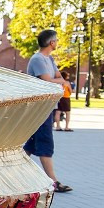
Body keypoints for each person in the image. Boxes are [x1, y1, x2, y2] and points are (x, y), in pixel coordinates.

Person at [24, 29, 72, 192]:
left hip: (47, 106)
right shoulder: (38, 59)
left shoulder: (49, 59)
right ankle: (53, 181)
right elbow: (48, 81)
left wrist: (59, 81)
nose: (57, 42)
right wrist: (60, 81)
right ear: (51, 43)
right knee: (45, 143)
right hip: (40, 109)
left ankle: (12, 176)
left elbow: (58, 78)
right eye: (56, 40)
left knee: (30, 146)